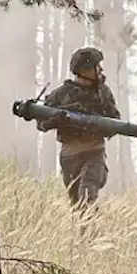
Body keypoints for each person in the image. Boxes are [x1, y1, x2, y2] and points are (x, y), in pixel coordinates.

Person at [37, 47, 122, 212]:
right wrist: (54, 121)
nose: (101, 69)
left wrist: (98, 124)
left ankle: (92, 237)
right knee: (76, 207)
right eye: (97, 66)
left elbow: (115, 121)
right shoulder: (61, 95)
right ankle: (85, 237)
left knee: (87, 197)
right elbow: (41, 123)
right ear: (86, 70)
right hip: (69, 157)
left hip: (94, 153)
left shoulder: (103, 93)